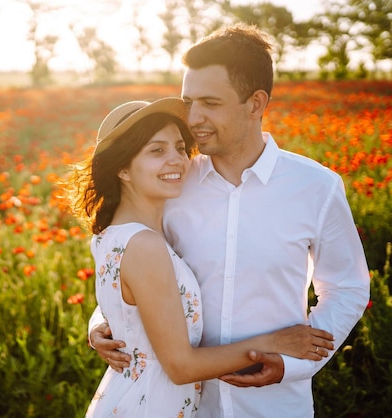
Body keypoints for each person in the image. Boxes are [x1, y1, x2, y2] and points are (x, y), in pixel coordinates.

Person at [89, 23, 371, 417]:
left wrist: (295, 363)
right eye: (189, 102)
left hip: (275, 404)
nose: (194, 118)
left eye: (211, 103)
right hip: (186, 403)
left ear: (255, 103)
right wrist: (103, 322)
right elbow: (136, 267)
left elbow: (347, 288)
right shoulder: (174, 184)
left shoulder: (316, 187)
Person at [66, 96, 335, 417]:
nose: (177, 160)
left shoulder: (110, 233)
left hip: (130, 395)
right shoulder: (145, 244)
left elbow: (127, 307)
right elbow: (180, 366)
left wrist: (99, 328)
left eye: (180, 147)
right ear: (123, 168)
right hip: (152, 404)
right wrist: (276, 341)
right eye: (157, 150)